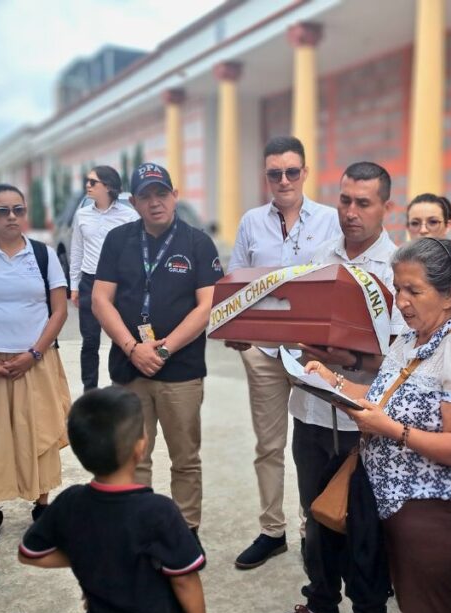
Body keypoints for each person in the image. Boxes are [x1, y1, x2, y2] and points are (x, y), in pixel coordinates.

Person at [305, 238, 451, 613]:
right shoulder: (410, 340)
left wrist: (390, 430)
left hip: (429, 513)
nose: (402, 301)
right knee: (410, 612)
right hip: (383, 503)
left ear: (449, 295)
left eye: (414, 291)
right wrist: (330, 381)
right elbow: (379, 401)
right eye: (398, 289)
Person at [270, 161, 405, 613]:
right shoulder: (320, 257)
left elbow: (402, 358)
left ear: (386, 207)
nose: (350, 212)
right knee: (314, 513)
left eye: (363, 203)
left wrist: (346, 358)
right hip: (310, 412)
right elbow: (294, 326)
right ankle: (321, 601)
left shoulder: (399, 270)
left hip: (363, 421)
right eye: (345, 200)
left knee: (364, 528)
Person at [227, 135, 341, 570]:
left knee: (317, 443)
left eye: (292, 171)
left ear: (305, 173)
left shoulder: (330, 220)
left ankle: (312, 528)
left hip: (313, 352)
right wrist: (240, 334)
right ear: (266, 176)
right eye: (275, 173)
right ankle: (272, 531)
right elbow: (236, 280)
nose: (284, 180)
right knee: (269, 445)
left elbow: (339, 280)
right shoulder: (252, 222)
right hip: (264, 351)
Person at [91, 162, 222, 535]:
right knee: (134, 457)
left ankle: (185, 533)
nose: (155, 202)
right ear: (134, 202)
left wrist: (163, 351)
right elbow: (101, 300)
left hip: (181, 372)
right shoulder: (118, 240)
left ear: (175, 195)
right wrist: (134, 348)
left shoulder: (197, 242)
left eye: (161, 193)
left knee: (185, 459)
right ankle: (139, 530)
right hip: (129, 369)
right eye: (145, 196)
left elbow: (207, 306)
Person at [18, 386, 210, 613]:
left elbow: (29, 554)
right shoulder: (159, 512)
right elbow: (184, 580)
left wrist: (87, 555)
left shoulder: (70, 501)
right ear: (140, 448)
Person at [0, 183, 71, 546]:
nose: (11, 217)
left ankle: (42, 506)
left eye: (18, 209)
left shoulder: (42, 254)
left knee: (40, 433)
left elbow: (59, 309)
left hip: (35, 360)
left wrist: (34, 353)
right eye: (2, 210)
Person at [69, 165, 138, 391]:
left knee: (122, 338)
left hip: (119, 283)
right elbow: (76, 251)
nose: (87, 186)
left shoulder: (129, 216)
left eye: (92, 182)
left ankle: (119, 388)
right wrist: (74, 286)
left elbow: (136, 250)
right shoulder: (82, 215)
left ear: (107, 186)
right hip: (90, 282)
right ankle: (90, 391)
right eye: (87, 181)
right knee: (90, 342)